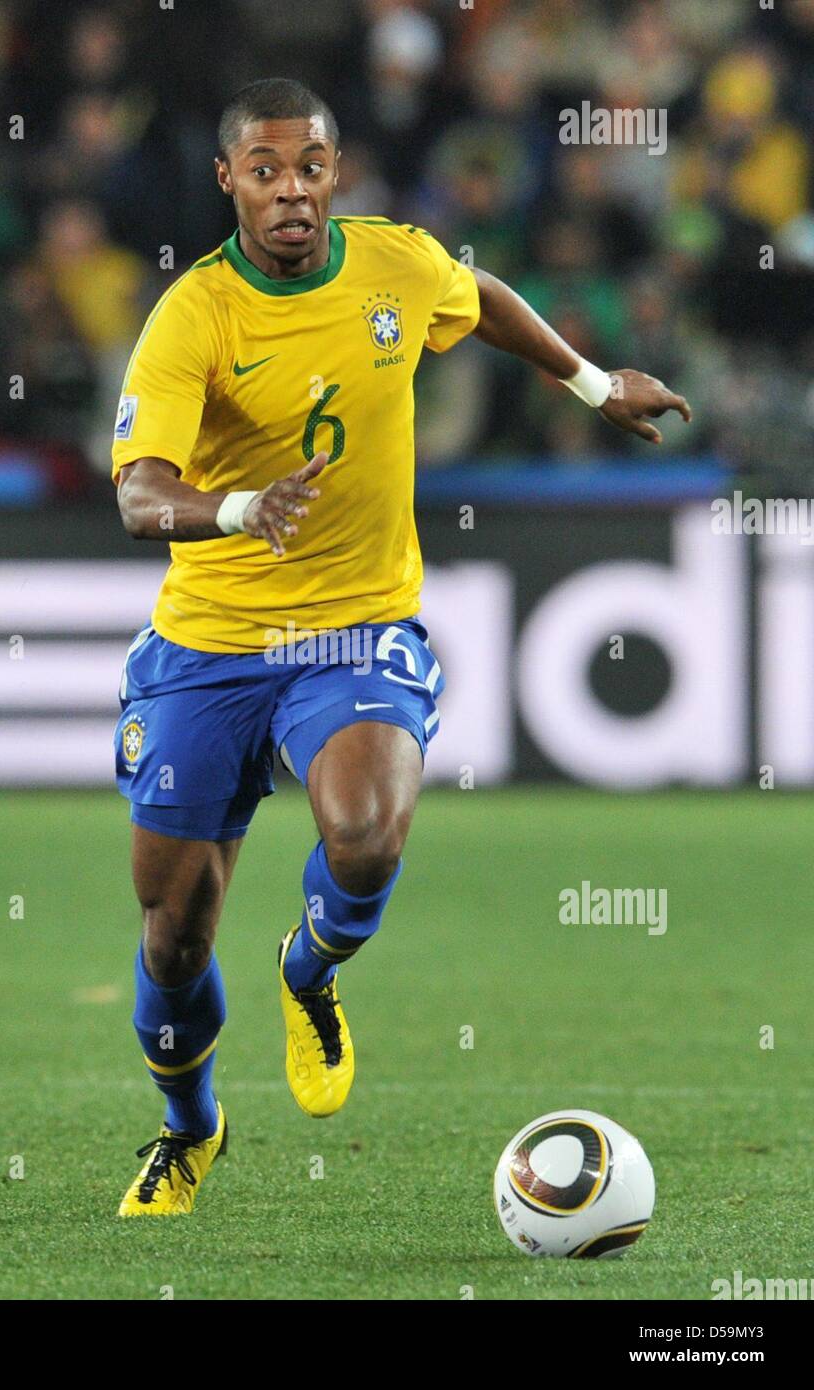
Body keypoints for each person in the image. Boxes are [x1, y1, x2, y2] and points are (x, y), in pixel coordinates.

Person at [111, 78, 691, 1216]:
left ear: (336, 171)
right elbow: (138, 494)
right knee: (173, 937)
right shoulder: (195, 313)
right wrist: (236, 510)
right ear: (227, 179)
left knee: (365, 835)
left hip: (356, 625)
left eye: (310, 167)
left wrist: (587, 380)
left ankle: (307, 971)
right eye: (265, 170)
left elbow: (472, 294)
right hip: (211, 641)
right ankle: (190, 1127)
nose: (290, 190)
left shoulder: (393, 263)